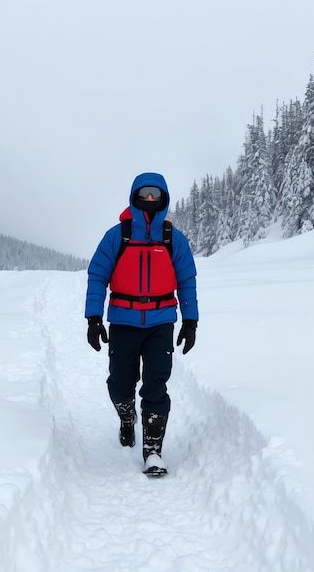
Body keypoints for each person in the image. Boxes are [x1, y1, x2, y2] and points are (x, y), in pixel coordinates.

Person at [85, 171, 199, 476]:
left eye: (155, 194)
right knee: (120, 384)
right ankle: (126, 417)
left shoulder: (173, 238)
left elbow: (187, 280)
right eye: (144, 193)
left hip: (161, 323)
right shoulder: (117, 236)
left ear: (164, 198)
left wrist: (191, 321)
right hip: (123, 321)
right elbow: (97, 276)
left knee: (155, 385)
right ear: (135, 196)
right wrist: (93, 317)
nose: (150, 199)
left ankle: (152, 451)